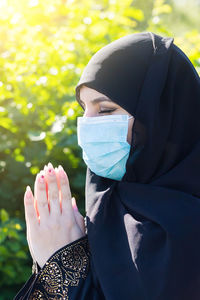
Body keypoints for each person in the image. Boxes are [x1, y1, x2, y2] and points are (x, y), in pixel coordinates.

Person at [14, 31, 200, 300]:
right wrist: (55, 263)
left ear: (160, 116)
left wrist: (62, 266)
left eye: (105, 110)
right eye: (83, 109)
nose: (87, 124)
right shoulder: (105, 205)